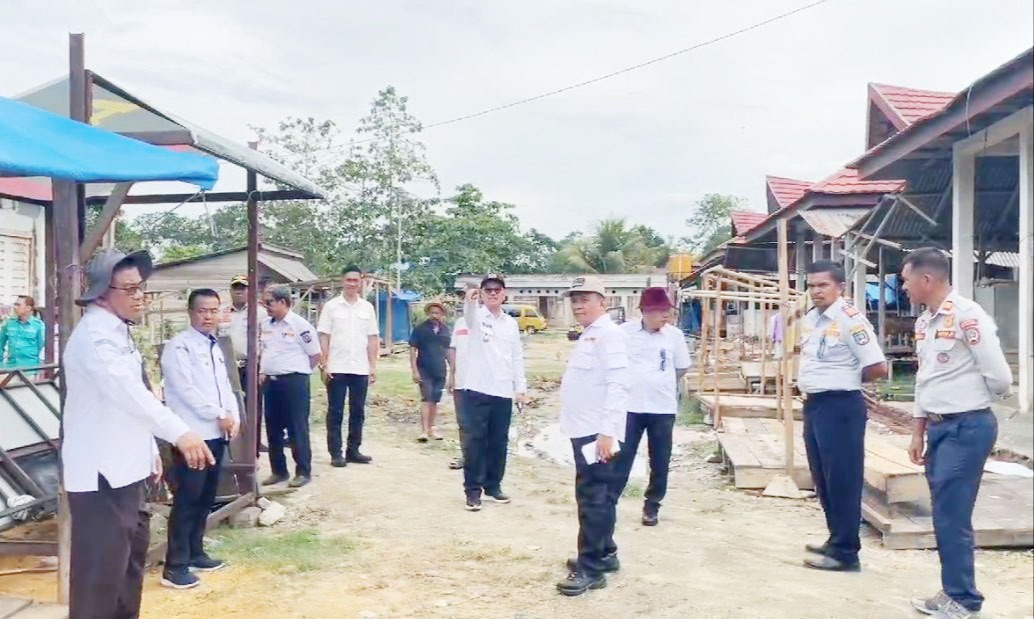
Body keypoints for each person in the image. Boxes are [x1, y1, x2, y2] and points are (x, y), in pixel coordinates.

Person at [62, 249, 214, 617]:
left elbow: (137, 396)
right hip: (101, 477)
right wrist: (181, 433)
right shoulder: (94, 338)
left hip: (126, 470)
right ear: (101, 293)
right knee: (99, 581)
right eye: (129, 289)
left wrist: (149, 450)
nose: (138, 297)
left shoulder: (118, 333)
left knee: (126, 575)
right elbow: (129, 395)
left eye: (140, 288)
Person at [901, 248, 1013, 619]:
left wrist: (969, 399)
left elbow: (1000, 377)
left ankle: (963, 600)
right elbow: (924, 380)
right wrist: (918, 430)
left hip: (967, 426)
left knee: (952, 514)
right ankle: (954, 592)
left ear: (926, 280)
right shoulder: (924, 323)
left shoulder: (968, 316)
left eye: (905, 279)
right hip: (939, 428)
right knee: (944, 512)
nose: (903, 286)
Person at [797, 260, 887, 573]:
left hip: (841, 407)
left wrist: (848, 382)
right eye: (811, 285)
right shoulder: (813, 318)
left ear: (840, 288)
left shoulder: (851, 320)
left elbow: (877, 366)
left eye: (822, 285)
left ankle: (847, 552)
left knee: (843, 478)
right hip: (816, 405)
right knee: (823, 477)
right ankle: (836, 540)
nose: (816, 291)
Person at [160, 288, 241, 590]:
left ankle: (196, 552)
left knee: (206, 497)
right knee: (188, 499)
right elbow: (184, 390)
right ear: (191, 313)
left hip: (218, 433)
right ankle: (175, 566)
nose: (209, 317)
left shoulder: (214, 346)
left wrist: (232, 416)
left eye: (214, 311)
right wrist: (218, 413)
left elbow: (226, 385)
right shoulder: (178, 347)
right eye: (202, 311)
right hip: (193, 436)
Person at [555, 275, 630, 597]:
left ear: (603, 301)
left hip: (596, 433)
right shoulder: (590, 335)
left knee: (593, 500)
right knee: (599, 497)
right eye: (575, 299)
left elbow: (619, 384)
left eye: (585, 299)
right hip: (584, 429)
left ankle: (591, 569)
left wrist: (607, 433)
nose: (578, 305)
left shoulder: (609, 335)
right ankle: (604, 552)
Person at [613, 288, 691, 527]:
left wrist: (661, 383)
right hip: (630, 406)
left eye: (668, 312)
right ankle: (609, 502)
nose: (665, 317)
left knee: (660, 459)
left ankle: (652, 505)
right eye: (661, 312)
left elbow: (682, 367)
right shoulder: (624, 333)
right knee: (622, 456)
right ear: (646, 312)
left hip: (662, 408)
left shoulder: (674, 336)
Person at [460, 275, 528, 511]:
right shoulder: (476, 317)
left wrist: (520, 389)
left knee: (498, 442)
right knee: (475, 442)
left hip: (502, 392)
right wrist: (469, 301)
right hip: (477, 390)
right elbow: (469, 316)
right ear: (482, 293)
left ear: (504, 293)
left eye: (496, 290)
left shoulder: (510, 323)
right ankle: (473, 490)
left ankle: (493, 485)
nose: (492, 293)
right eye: (487, 290)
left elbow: (516, 357)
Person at [260, 285, 322, 488]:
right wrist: (263, 371)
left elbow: (315, 355)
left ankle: (303, 471)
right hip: (271, 382)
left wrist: (298, 372)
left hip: (294, 382)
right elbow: (266, 351)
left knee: (297, 427)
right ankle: (279, 471)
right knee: (272, 428)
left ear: (283, 302)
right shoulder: (266, 324)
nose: (265, 306)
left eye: (269, 302)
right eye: (264, 302)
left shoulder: (299, 325)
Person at [318, 265, 379, 467]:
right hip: (337, 367)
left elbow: (372, 338)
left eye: (356, 280)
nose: (352, 284)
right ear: (342, 281)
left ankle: (354, 450)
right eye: (348, 280)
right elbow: (324, 336)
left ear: (361, 282)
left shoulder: (367, 308)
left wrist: (372, 366)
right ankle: (336, 453)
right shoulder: (331, 307)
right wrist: (324, 363)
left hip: (360, 367)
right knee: (335, 411)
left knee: (358, 411)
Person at [222, 274, 268, 454]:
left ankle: (253, 448)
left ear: (250, 291)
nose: (239, 291)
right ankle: (236, 446)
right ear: (231, 291)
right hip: (229, 367)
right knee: (231, 405)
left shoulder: (260, 313)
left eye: (243, 287)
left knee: (253, 407)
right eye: (236, 288)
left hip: (251, 365)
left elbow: (265, 340)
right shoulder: (223, 313)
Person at [409, 301, 452, 441]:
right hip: (424, 369)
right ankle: (423, 431)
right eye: (432, 313)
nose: (434, 315)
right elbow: (412, 350)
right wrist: (415, 370)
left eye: (437, 313)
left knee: (435, 400)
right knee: (426, 399)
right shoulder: (420, 329)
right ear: (428, 314)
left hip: (440, 370)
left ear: (442, 315)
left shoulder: (445, 330)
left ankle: (431, 428)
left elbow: (448, 351)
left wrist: (453, 370)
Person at [446, 311, 471, 470]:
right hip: (461, 381)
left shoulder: (489, 322)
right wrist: (452, 374)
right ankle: (467, 457)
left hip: (482, 384)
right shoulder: (460, 322)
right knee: (463, 422)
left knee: (482, 423)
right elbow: (453, 349)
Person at [0, 295, 45, 371]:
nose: (15, 307)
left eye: (18, 305)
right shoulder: (9, 323)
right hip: (11, 368)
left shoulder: (38, 326)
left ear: (28, 308)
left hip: (30, 369)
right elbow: (1, 344)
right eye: (15, 304)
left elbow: (42, 347)